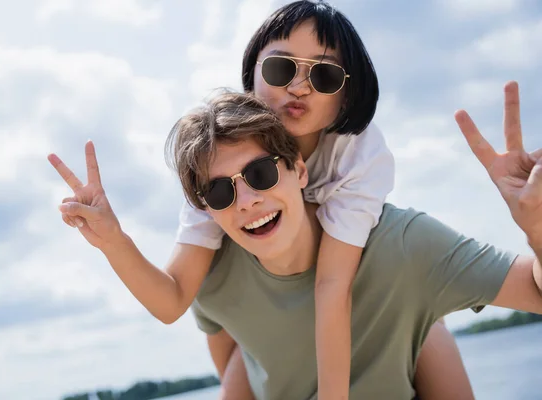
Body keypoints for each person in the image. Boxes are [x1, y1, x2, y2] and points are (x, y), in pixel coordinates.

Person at [49, 1, 474, 398]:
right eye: (279, 68)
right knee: (224, 325)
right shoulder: (217, 158)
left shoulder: (358, 155)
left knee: (426, 333)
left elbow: (332, 285)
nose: (299, 87)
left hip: (359, 299)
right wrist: (113, 240)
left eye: (323, 76)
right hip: (247, 316)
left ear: (348, 95)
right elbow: (173, 297)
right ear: (251, 75)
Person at [161, 84, 540, 399]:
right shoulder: (213, 280)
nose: (247, 201)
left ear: (299, 169)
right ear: (205, 209)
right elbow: (231, 360)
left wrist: (536, 230)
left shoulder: (399, 246)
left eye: (260, 173)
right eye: (220, 193)